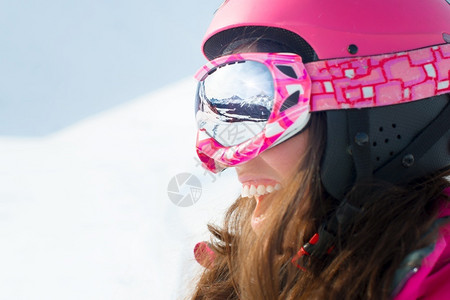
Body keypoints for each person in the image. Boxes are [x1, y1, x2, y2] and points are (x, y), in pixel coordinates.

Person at [190, 0, 450, 299]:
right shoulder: (240, 276)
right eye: (220, 107)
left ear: (380, 113)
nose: (228, 155)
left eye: (261, 106)